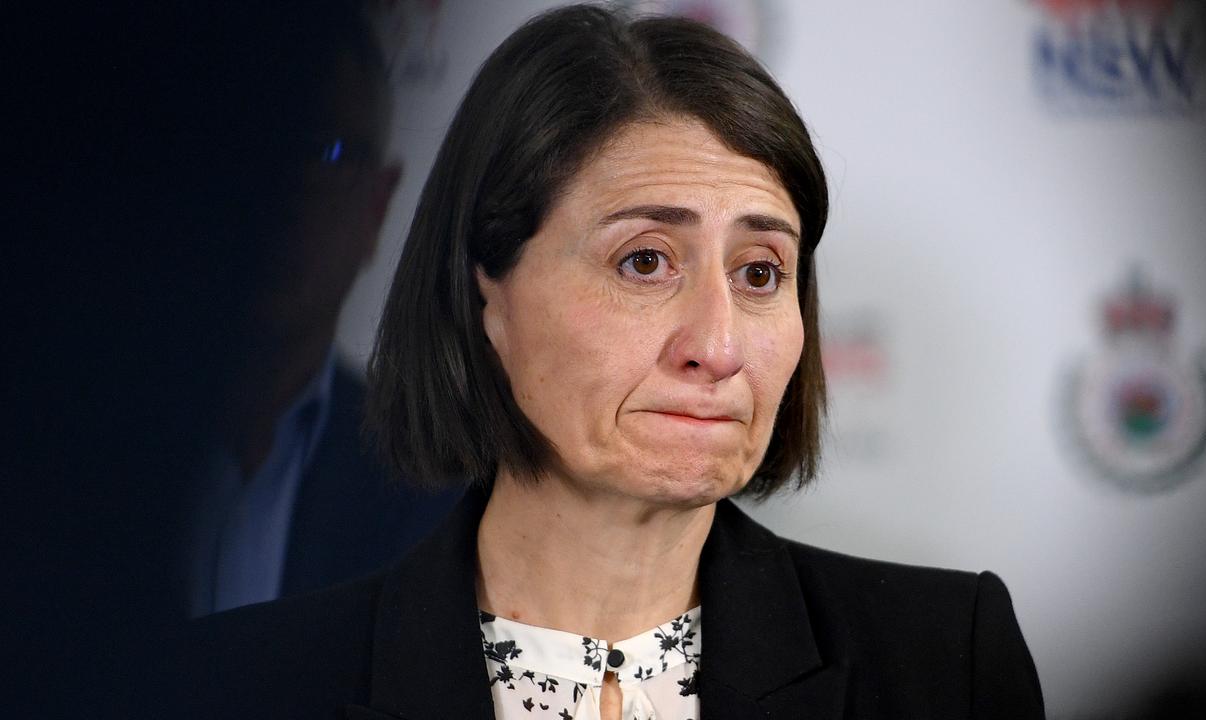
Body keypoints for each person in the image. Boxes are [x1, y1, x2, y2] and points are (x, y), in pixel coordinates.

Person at [185, 5, 1045, 719]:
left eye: (758, 273)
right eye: (644, 261)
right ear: (490, 287)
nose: (716, 346)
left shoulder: (947, 665)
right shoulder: (244, 687)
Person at [179, 2, 460, 617]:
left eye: (325, 153)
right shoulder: (62, 449)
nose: (284, 190)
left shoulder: (432, 494)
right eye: (252, 145)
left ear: (378, 208)